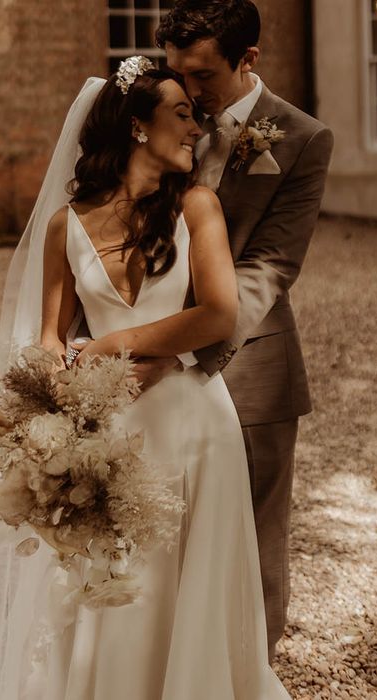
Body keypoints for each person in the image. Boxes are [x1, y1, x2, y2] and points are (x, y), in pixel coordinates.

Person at [0, 62, 292, 698]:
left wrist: (119, 343)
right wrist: (52, 410)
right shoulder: (66, 226)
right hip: (109, 433)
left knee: (190, 584)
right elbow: (51, 337)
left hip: (192, 425)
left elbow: (220, 312)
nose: (197, 128)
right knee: (111, 579)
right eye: (181, 114)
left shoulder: (198, 207)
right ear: (137, 127)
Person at [139, 0, 334, 660]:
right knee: (156, 536)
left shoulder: (301, 137)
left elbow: (270, 265)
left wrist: (175, 347)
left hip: (247, 369)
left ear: (249, 60)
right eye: (176, 73)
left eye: (202, 76)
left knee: (250, 547)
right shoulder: (156, 109)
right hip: (140, 363)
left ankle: (248, 673)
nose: (187, 93)